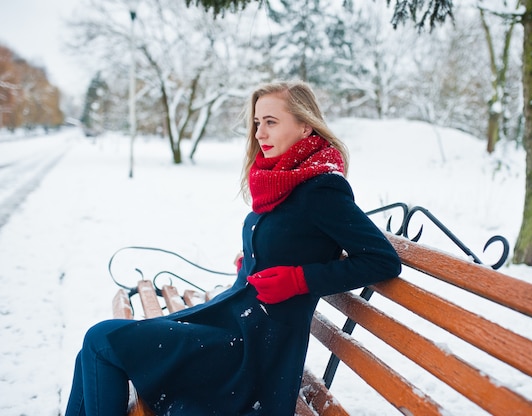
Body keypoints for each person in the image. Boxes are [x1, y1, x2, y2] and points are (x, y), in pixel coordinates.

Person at [64, 81, 401, 416]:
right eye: (257, 123)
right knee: (94, 349)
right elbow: (296, 238)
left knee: (101, 340)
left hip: (252, 352)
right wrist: (254, 259)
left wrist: (298, 280)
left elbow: (381, 260)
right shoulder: (285, 177)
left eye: (271, 122)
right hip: (234, 322)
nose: (259, 134)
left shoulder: (321, 189)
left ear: (304, 125)